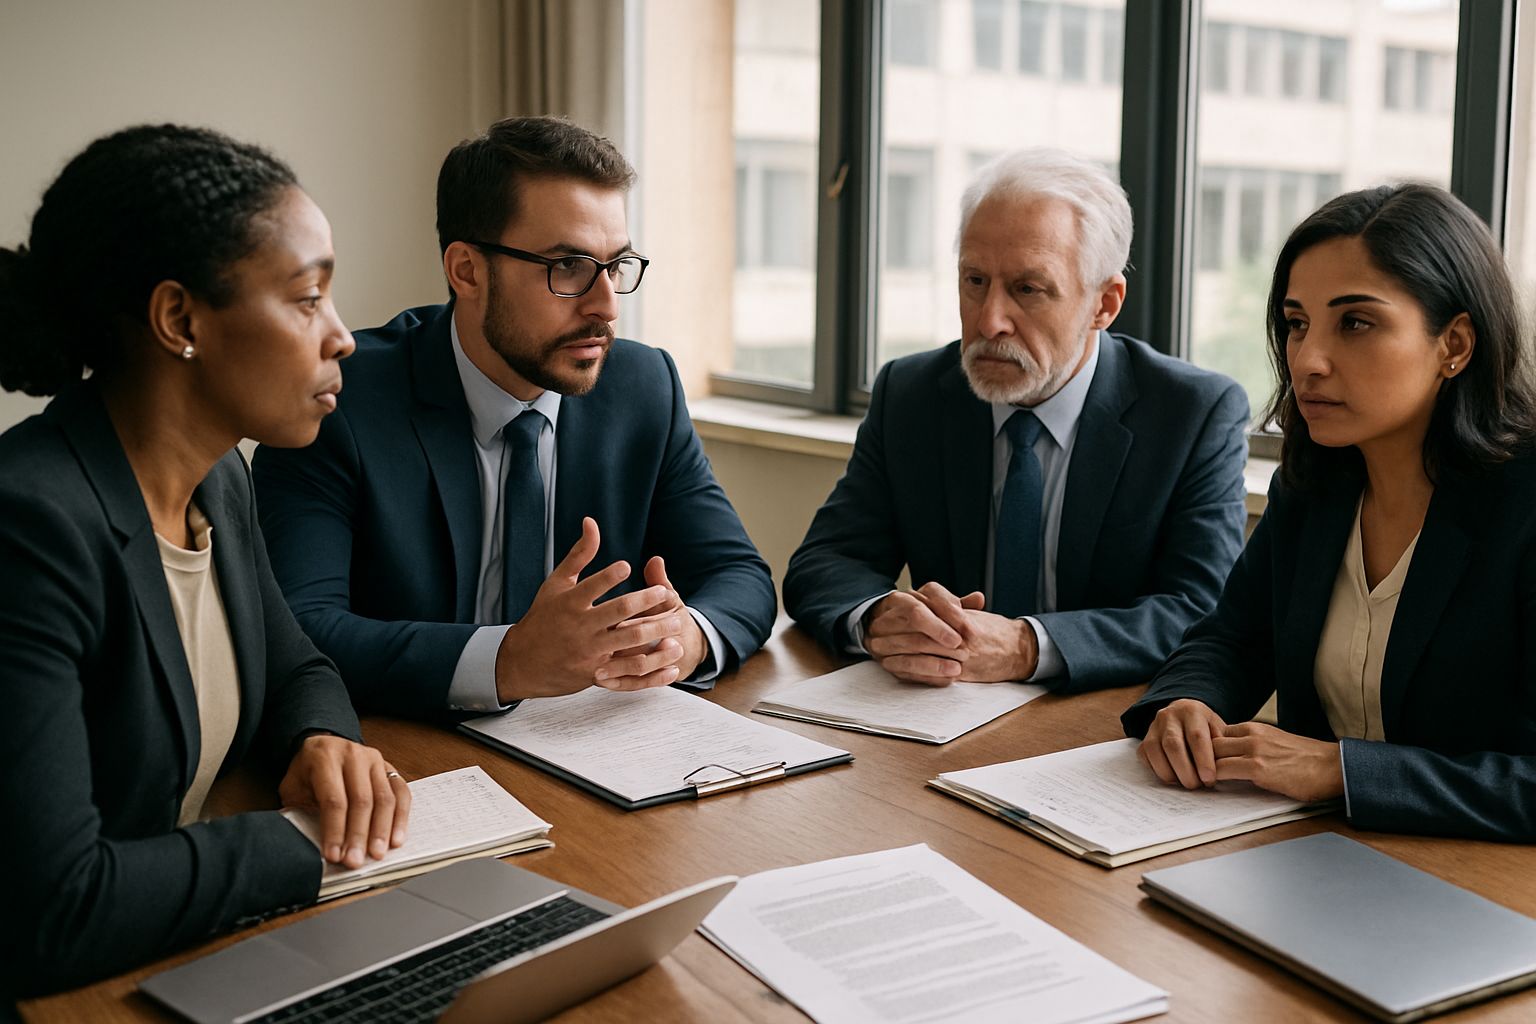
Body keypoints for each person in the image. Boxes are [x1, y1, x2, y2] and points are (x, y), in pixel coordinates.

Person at [0, 125, 411, 996]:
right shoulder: (29, 525)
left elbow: (293, 659)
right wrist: (304, 843)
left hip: (178, 953)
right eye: (307, 299)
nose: (342, 337)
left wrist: (321, 736)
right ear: (180, 319)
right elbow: (55, 909)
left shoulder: (218, 475)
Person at [252, 116, 775, 717]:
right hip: (406, 750)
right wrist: (508, 662)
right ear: (466, 270)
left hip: (597, 749)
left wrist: (689, 640)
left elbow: (739, 574)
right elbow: (298, 629)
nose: (605, 306)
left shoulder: (643, 386)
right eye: (569, 268)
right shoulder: (341, 399)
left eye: (617, 266)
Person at [1124, 184, 1536, 842]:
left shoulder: (1524, 504)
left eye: (1355, 323)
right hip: (1316, 861)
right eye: (1296, 324)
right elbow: (1232, 638)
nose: (1308, 361)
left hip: (1486, 893)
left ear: (1454, 343)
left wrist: (1342, 771)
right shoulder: (1316, 483)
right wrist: (1187, 702)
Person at [783, 149, 1249, 693]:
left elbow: (1200, 610)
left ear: (1105, 304)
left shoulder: (1193, 413)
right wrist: (879, 616)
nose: (990, 320)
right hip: (936, 713)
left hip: (1092, 727)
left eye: (1028, 289)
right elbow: (825, 562)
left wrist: (1027, 646)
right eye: (974, 281)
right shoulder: (911, 394)